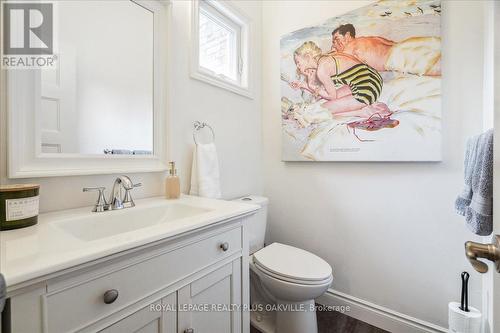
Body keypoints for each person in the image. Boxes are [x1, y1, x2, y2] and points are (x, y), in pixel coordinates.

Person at [291, 41, 389, 117]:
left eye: (298, 62)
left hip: (367, 87)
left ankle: (362, 111)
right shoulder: (325, 59)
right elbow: (327, 92)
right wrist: (305, 85)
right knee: (322, 101)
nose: (298, 66)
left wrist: (311, 85)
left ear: (308, 57)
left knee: (322, 110)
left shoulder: (322, 69)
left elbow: (332, 96)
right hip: (371, 79)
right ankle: (362, 107)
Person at [331, 23, 441, 76]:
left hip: (395, 57)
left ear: (347, 35)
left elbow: (338, 64)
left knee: (435, 67)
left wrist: (334, 53)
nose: (335, 43)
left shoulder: (349, 48)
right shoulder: (366, 39)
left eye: (336, 39)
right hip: (402, 46)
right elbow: (386, 41)